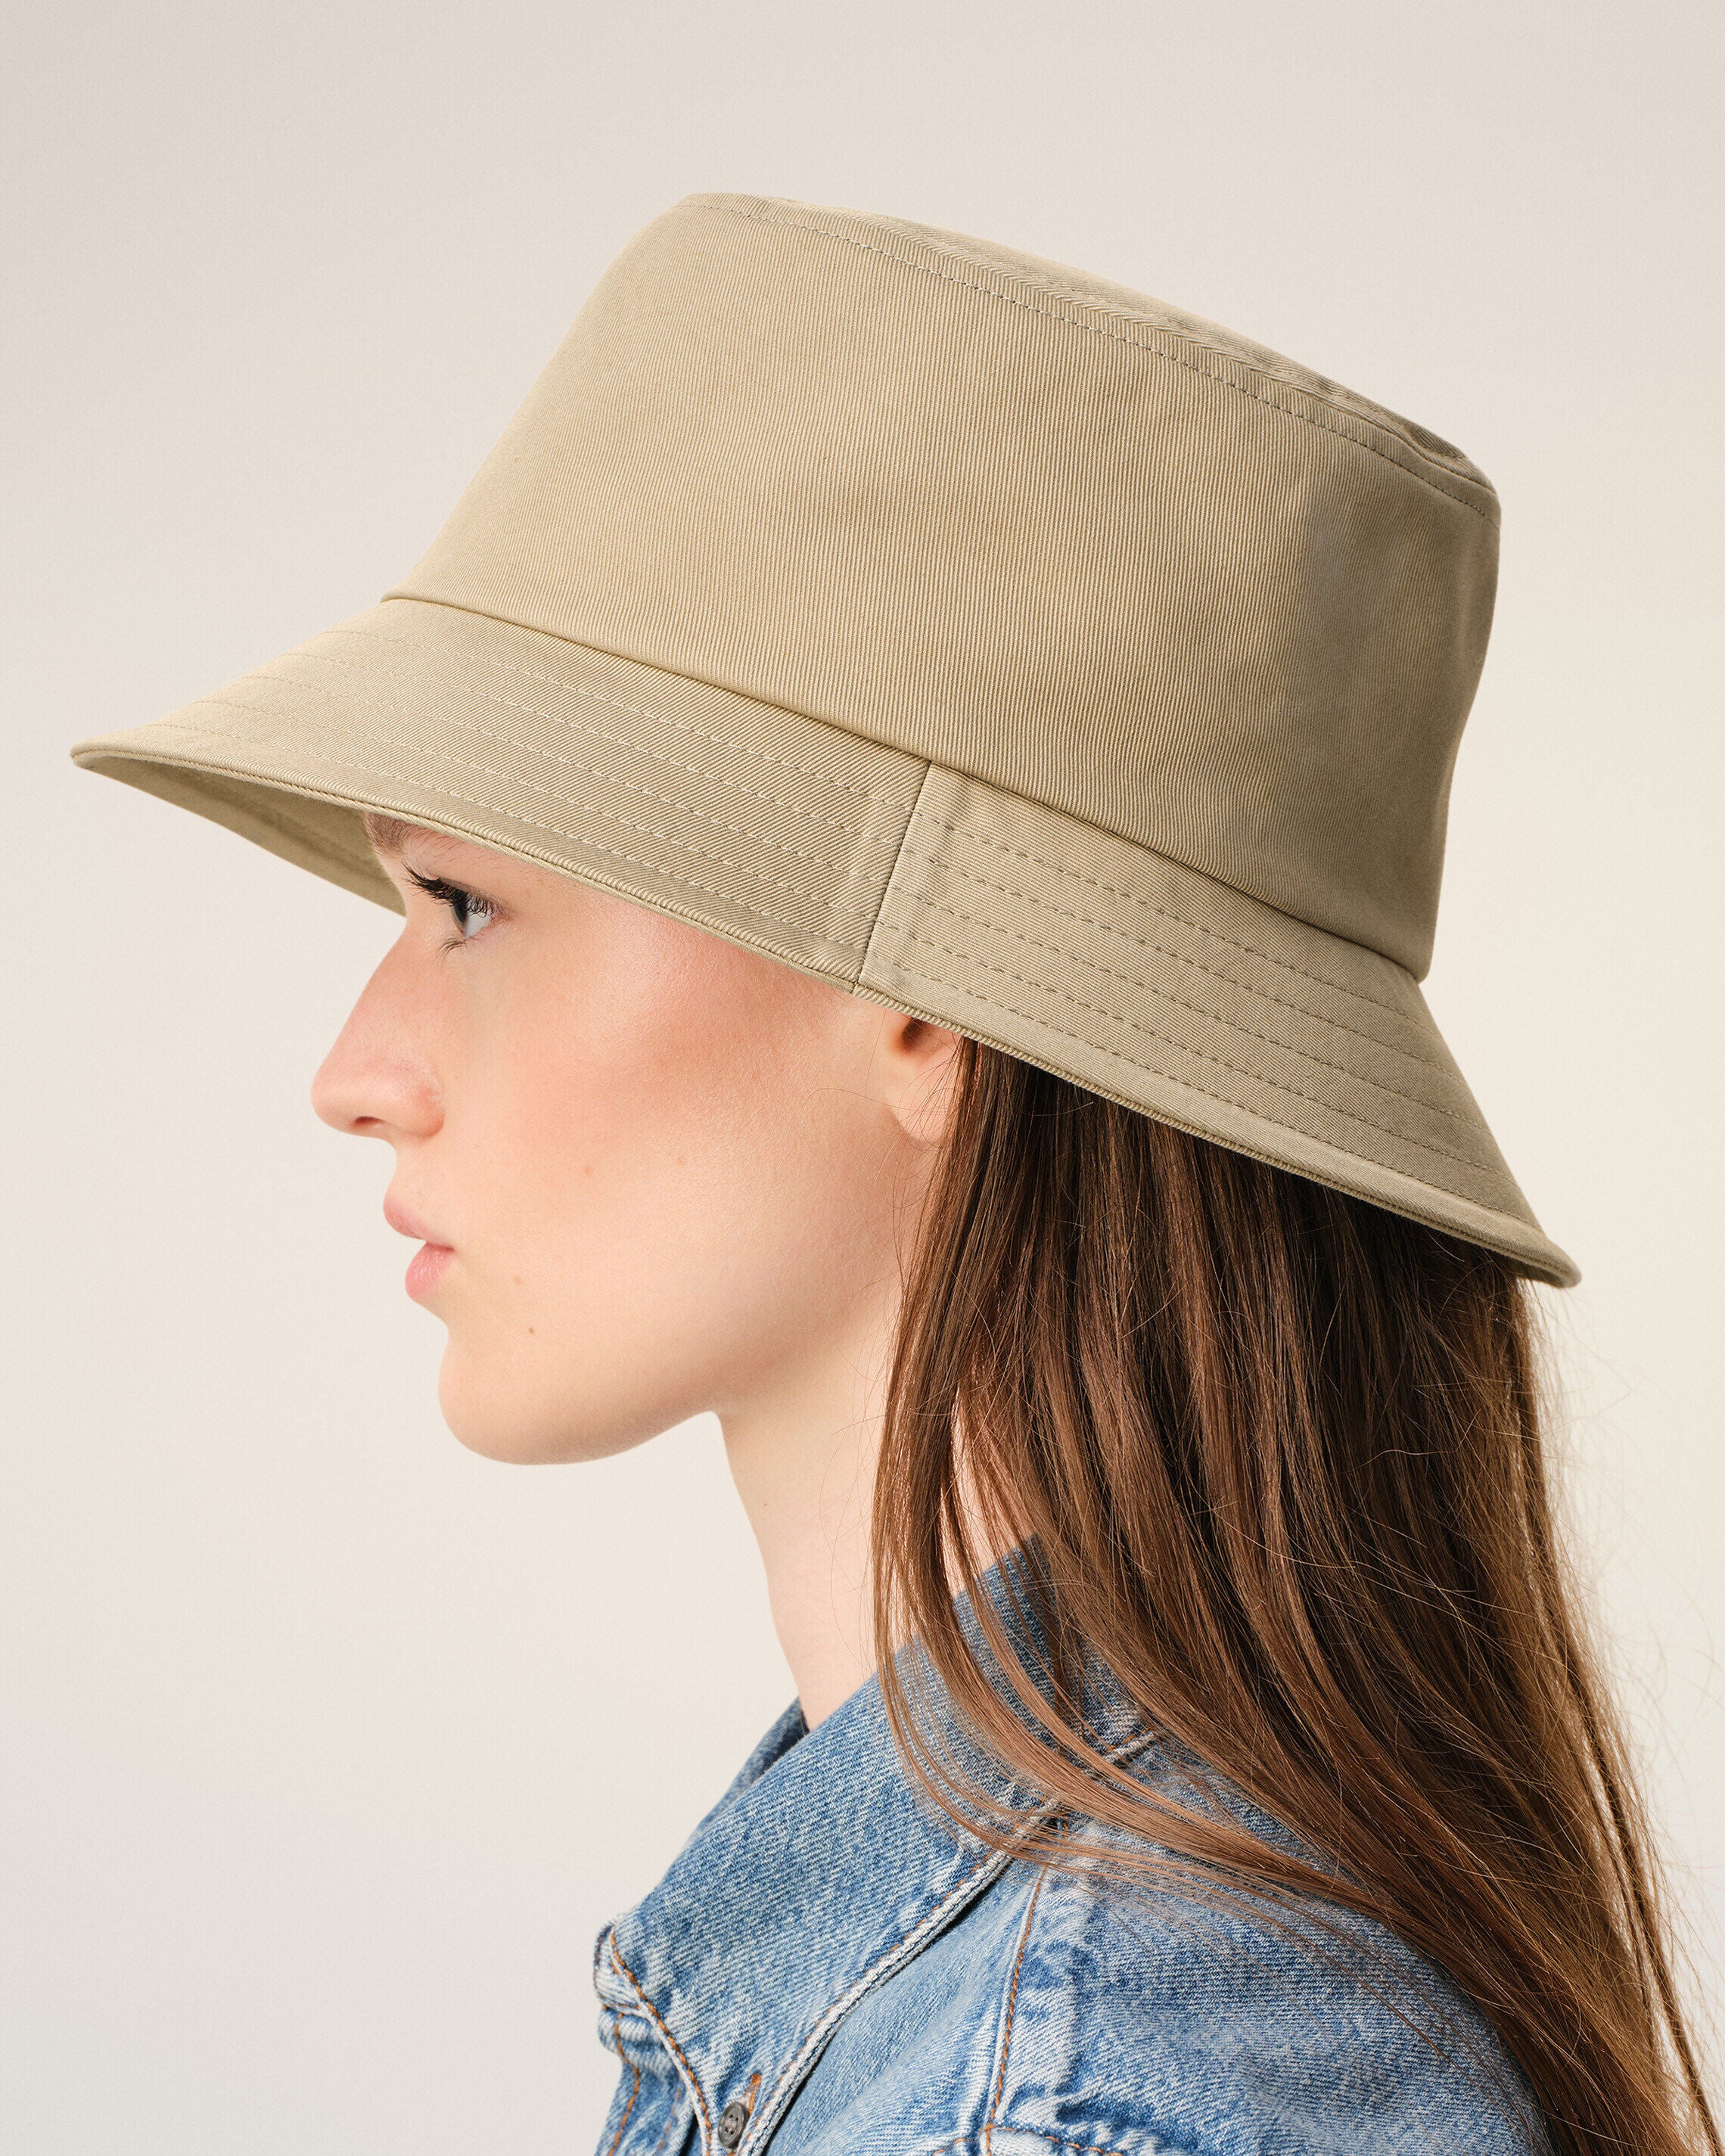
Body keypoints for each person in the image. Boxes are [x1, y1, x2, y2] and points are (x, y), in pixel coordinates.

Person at [71, 193, 1717, 2156]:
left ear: (929, 1009)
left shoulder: (1069, 2097)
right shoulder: (1073, 2009)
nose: (358, 1075)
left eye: (465, 903)